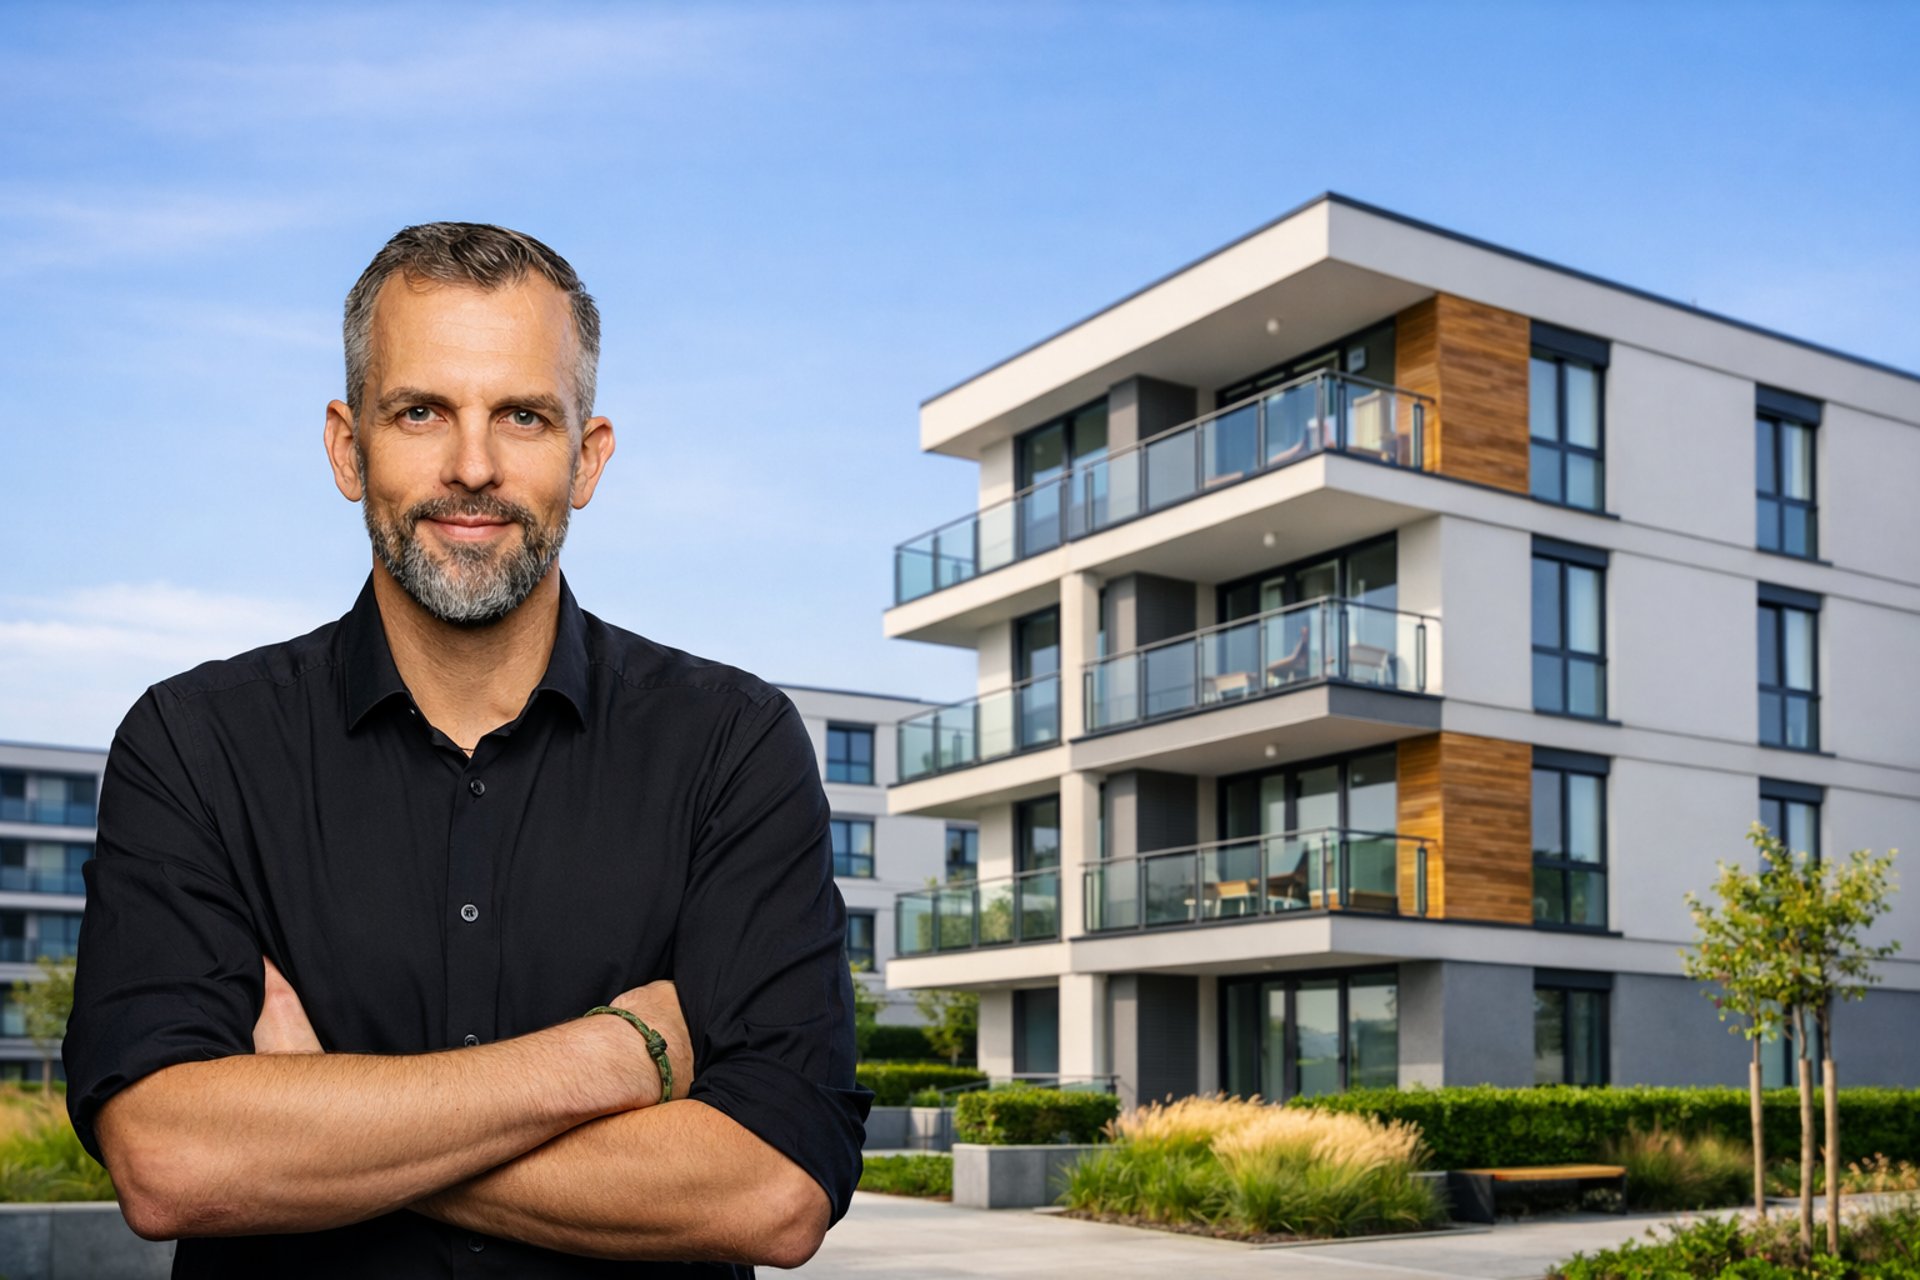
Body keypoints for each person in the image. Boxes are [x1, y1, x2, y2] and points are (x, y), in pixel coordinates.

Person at [63, 222, 871, 1276]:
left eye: (524, 415)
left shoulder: (732, 746)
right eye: (421, 411)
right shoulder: (193, 745)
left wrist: (322, 1128)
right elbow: (171, 1157)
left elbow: (774, 1185)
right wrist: (605, 1059)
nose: (473, 466)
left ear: (587, 458)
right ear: (349, 448)